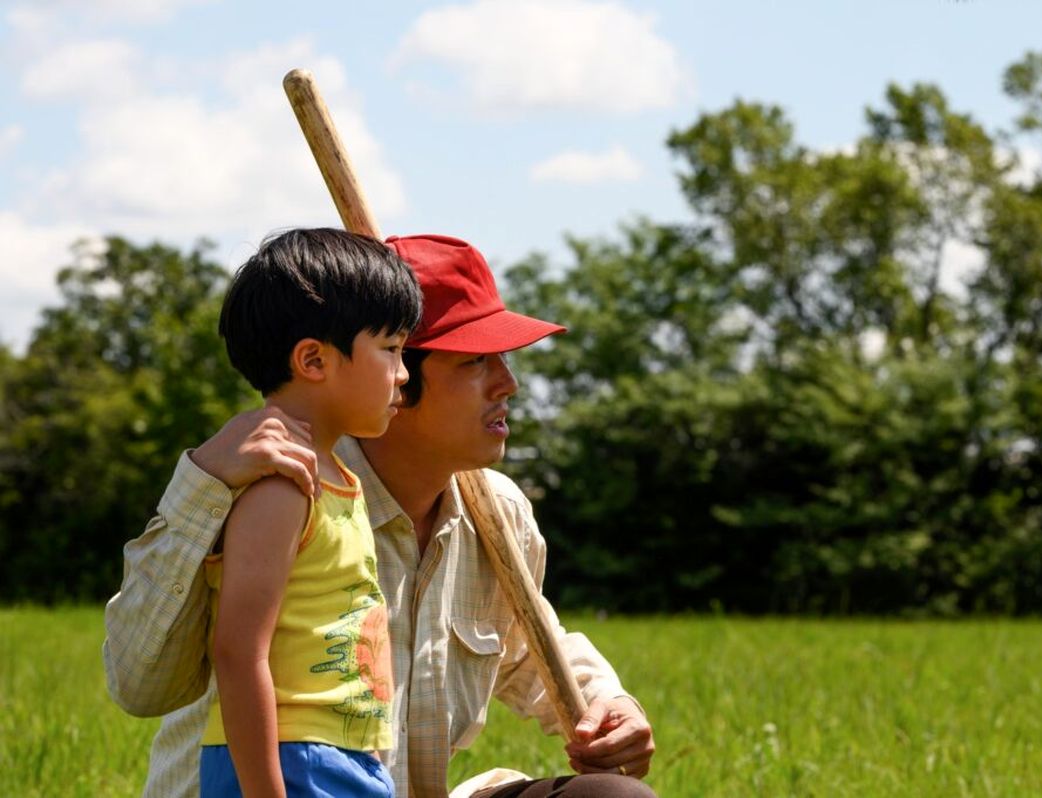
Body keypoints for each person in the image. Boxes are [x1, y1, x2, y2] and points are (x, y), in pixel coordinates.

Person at [104, 233, 657, 798]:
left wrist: (608, 704)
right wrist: (202, 484)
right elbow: (138, 686)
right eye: (474, 361)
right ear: (401, 375)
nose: (508, 383)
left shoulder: (500, 513)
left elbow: (529, 647)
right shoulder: (275, 484)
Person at [200, 228, 423, 796]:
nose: (403, 373)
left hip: (340, 756)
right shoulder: (281, 488)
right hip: (291, 760)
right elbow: (237, 650)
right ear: (314, 359)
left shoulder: (340, 481)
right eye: (392, 350)